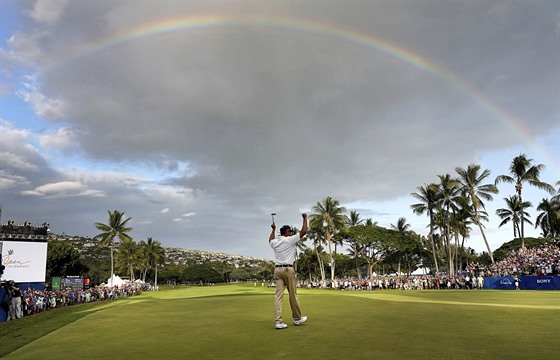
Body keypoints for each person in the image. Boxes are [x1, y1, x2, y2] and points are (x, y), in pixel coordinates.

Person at [269, 213, 308, 330]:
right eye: (289, 231)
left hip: (277, 270)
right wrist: (305, 219)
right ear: (286, 232)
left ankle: (278, 322)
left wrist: (273, 230)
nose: (291, 233)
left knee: (278, 297)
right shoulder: (289, 240)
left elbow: (270, 239)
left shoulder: (275, 242)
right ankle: (297, 319)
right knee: (293, 294)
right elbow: (303, 232)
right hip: (287, 269)